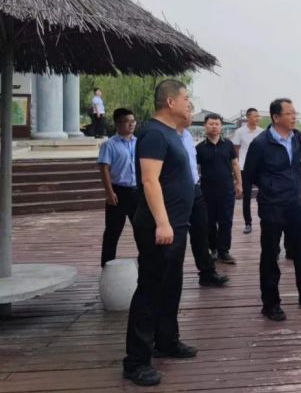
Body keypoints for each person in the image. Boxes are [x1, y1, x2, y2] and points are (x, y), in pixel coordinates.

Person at [123, 79, 198, 387]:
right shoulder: (154, 133)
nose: (188, 103)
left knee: (171, 286)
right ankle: (136, 361)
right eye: (186, 98)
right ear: (170, 102)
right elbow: (150, 181)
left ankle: (166, 340)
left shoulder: (172, 133)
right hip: (159, 226)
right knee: (151, 290)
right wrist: (163, 223)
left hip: (176, 225)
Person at [244, 98, 301, 321]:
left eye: (294, 113)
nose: (294, 117)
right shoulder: (261, 143)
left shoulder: (297, 137)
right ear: (276, 117)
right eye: (289, 113)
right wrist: (268, 189)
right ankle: (270, 304)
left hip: (295, 205)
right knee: (271, 255)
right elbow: (249, 175)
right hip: (271, 207)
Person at [179, 105, 229, 287]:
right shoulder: (163, 135)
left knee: (201, 232)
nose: (191, 115)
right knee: (178, 238)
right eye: (187, 110)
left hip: (195, 189)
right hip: (178, 192)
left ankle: (207, 273)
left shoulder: (187, 136)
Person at [196, 114, 243, 264]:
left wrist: (239, 183)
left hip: (226, 188)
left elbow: (235, 164)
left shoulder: (228, 145)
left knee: (226, 220)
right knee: (209, 221)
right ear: (205, 126)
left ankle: (224, 251)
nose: (214, 126)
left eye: (217, 124)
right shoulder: (199, 148)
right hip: (207, 190)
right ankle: (213, 249)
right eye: (211, 124)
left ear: (221, 126)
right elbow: (195, 169)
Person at [97, 108, 137, 267]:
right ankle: (107, 266)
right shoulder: (109, 145)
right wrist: (109, 192)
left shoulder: (139, 142)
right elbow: (104, 168)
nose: (131, 124)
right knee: (112, 232)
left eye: (133, 121)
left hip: (137, 192)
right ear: (117, 124)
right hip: (118, 191)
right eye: (127, 121)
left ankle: (147, 266)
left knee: (142, 230)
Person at [232, 107, 264, 234]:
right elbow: (236, 151)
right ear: (248, 117)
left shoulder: (262, 132)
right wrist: (237, 170)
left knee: (264, 194)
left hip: (260, 169)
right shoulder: (240, 132)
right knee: (247, 197)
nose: (257, 118)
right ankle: (248, 223)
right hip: (244, 168)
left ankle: (264, 219)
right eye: (255, 116)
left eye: (258, 116)